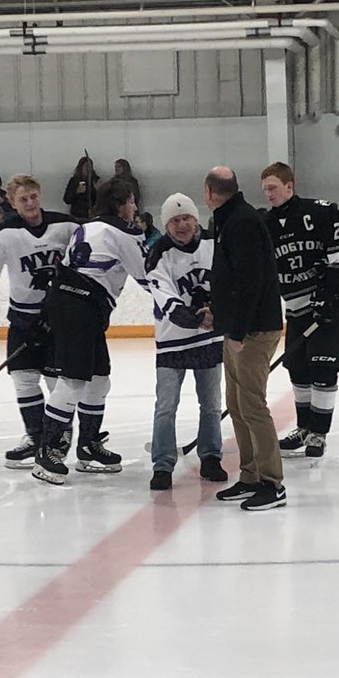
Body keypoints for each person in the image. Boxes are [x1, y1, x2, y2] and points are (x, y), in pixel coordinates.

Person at [32, 178, 149, 485]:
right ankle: (47, 449)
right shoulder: (122, 233)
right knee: (73, 381)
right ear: (120, 204)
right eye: (132, 201)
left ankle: (88, 445)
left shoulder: (90, 226)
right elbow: (147, 277)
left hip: (73, 304)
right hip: (80, 307)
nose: (135, 207)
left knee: (99, 378)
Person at [0, 174, 81, 468]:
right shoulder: (0, 235)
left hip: (59, 320)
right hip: (23, 319)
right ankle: (35, 437)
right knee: (23, 378)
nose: (30, 203)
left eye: (34, 196)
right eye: (23, 199)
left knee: (57, 382)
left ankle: (57, 437)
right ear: (12, 201)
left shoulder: (67, 226)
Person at [261, 161, 339, 463]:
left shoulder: (321, 212)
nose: (268, 194)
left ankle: (319, 433)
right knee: (298, 369)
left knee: (322, 369)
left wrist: (330, 297)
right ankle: (303, 428)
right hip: (296, 310)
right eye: (264, 190)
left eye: (273, 188)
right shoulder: (264, 223)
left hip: (327, 308)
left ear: (290, 186)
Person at [206, 166, 285, 511]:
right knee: (237, 405)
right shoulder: (227, 219)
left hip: (253, 331)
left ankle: (272, 483)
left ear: (209, 192)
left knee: (252, 404)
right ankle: (250, 475)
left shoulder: (242, 222)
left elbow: (250, 281)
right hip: (237, 329)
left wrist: (237, 330)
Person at [144, 193, 227, 491]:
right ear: (166, 225)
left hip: (208, 338)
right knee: (166, 406)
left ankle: (211, 457)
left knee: (211, 404)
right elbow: (166, 297)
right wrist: (197, 317)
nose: (183, 225)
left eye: (187, 218)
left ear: (196, 219)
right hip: (173, 341)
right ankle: (163, 464)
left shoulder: (213, 244)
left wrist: (218, 311)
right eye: (175, 220)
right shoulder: (157, 254)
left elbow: (226, 281)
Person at [62, 154, 100, 220]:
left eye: (90, 166)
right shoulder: (74, 181)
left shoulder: (95, 180)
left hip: (93, 215)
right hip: (78, 215)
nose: (88, 169)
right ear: (81, 167)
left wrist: (99, 190)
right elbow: (67, 199)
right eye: (86, 166)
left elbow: (102, 200)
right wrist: (76, 192)